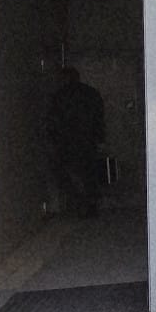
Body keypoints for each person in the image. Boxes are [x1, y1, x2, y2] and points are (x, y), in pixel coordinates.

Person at [45, 65, 106, 217]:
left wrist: (53, 140)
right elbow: (99, 118)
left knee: (68, 172)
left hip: (68, 141)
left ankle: (79, 202)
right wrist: (100, 139)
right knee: (88, 173)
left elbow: (54, 120)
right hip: (87, 140)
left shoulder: (60, 96)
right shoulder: (90, 93)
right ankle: (90, 204)